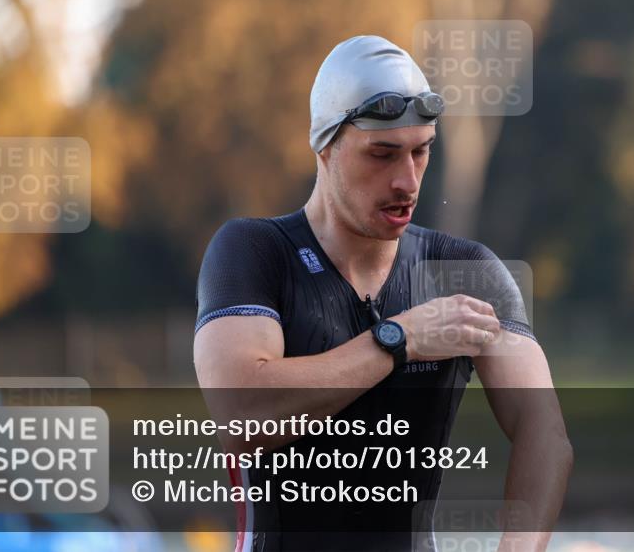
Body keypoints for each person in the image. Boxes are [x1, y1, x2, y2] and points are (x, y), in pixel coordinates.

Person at [193, 35, 573, 551]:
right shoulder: (253, 251)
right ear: (325, 146)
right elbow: (243, 419)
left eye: (421, 152)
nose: (407, 181)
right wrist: (396, 340)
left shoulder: (461, 269)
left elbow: (543, 433)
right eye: (383, 154)